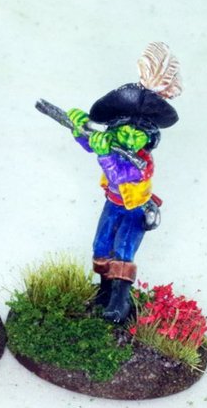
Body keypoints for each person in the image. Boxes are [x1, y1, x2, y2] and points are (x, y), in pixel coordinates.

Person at [65, 42, 181, 323]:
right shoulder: (113, 141)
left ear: (149, 138)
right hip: (112, 204)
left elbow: (118, 174)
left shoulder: (142, 162)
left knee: (123, 250)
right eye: (124, 130)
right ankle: (105, 292)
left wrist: (105, 153)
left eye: (138, 133)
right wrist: (79, 128)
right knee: (101, 245)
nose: (129, 137)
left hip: (134, 209)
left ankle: (120, 302)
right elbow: (91, 144)